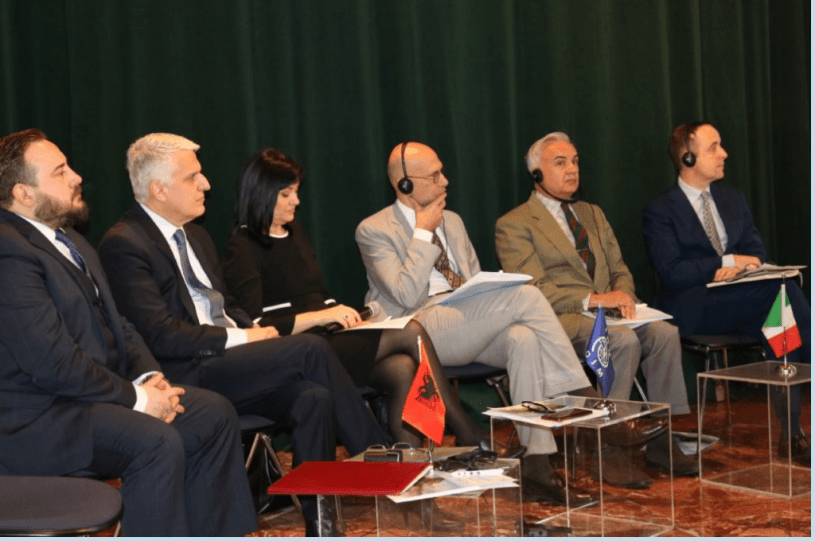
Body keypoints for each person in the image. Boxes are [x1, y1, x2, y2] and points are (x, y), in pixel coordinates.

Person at [97, 133, 388, 536]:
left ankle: (320, 522)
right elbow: (161, 335)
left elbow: (226, 305)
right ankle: (381, 462)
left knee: (313, 397)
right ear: (159, 190)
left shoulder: (196, 236)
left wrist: (251, 331)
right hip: (188, 370)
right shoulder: (124, 244)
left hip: (231, 363)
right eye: (193, 177)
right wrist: (246, 340)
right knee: (311, 349)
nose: (206, 185)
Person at [355, 141, 666, 505]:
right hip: (419, 329)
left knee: (523, 338)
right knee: (528, 296)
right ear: (405, 184)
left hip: (467, 320)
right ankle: (595, 409)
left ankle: (537, 466)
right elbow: (406, 295)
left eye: (442, 172)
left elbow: (471, 281)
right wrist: (422, 233)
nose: (445, 181)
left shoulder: (453, 221)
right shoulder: (374, 229)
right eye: (435, 176)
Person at [0, 129, 257, 536]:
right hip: (39, 418)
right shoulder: (9, 250)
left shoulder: (72, 241)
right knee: (155, 441)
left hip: (87, 400)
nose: (76, 177)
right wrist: (138, 400)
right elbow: (52, 363)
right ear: (23, 194)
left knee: (211, 413)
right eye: (60, 171)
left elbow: (119, 323)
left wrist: (150, 377)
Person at [222, 148, 510, 453]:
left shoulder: (294, 234)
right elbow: (256, 326)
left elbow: (319, 296)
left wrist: (347, 316)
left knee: (401, 367)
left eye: (295, 192)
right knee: (411, 331)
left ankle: (406, 460)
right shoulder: (243, 247)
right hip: (296, 352)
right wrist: (321, 316)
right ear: (261, 194)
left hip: (330, 339)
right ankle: (466, 429)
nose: (296, 200)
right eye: (286, 194)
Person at [495, 132, 697, 487]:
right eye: (560, 163)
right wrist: (593, 301)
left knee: (665, 334)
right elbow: (533, 290)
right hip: (561, 319)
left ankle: (662, 438)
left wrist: (625, 298)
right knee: (621, 341)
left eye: (575, 162)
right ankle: (610, 448)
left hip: (608, 314)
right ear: (536, 173)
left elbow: (620, 269)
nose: (572, 170)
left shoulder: (593, 213)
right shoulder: (514, 224)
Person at [643, 121, 810, 466]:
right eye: (713, 147)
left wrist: (744, 269)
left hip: (744, 299)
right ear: (687, 158)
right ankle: (793, 430)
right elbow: (672, 272)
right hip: (692, 306)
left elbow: (756, 251)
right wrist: (723, 262)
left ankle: (791, 432)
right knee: (782, 296)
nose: (724, 154)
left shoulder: (733, 199)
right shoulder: (661, 210)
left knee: (781, 315)